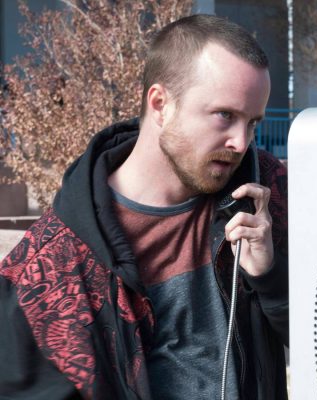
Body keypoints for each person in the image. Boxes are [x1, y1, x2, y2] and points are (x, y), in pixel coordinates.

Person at [0, 14, 288, 400]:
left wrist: (270, 276)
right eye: (225, 116)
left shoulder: (265, 193)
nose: (241, 141)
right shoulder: (46, 268)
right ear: (160, 104)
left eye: (252, 122)